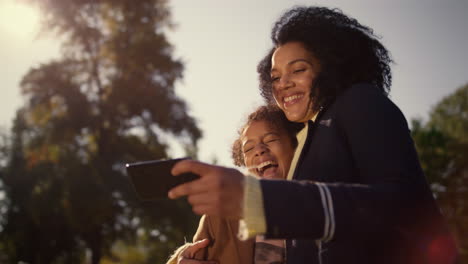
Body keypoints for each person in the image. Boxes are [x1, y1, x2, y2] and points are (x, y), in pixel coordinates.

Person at [169, 6, 458, 264]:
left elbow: (406, 205)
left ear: (331, 66)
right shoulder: (314, 133)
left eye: (298, 69)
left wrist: (258, 200)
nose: (283, 85)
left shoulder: (359, 100)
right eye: (276, 78)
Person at [167, 105, 302, 264]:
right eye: (249, 148)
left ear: (295, 144)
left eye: (271, 139)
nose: (259, 150)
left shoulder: (320, 203)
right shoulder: (219, 216)